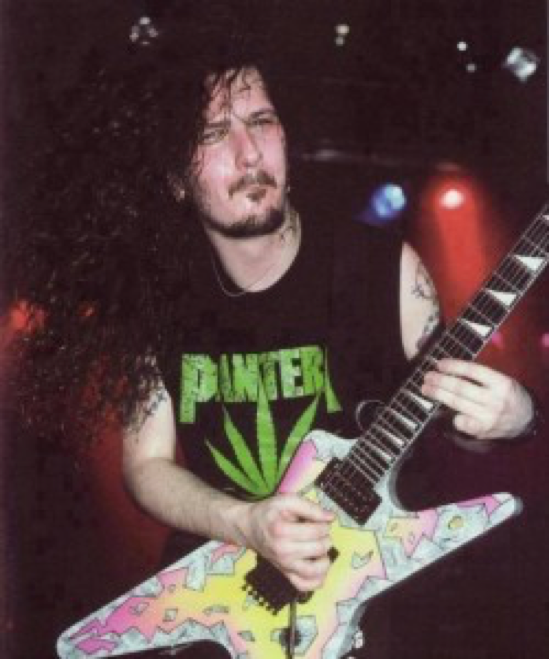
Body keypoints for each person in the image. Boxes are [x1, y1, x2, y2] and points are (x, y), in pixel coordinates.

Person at [5, 18, 541, 659]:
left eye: (261, 122)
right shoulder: (157, 298)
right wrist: (247, 522)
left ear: (287, 139)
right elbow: (145, 468)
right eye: (212, 133)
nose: (249, 153)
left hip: (367, 607)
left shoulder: (380, 268)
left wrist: (517, 418)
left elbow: (449, 419)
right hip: (227, 605)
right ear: (176, 177)